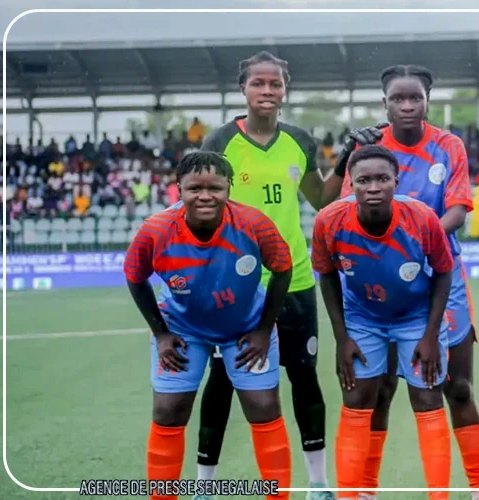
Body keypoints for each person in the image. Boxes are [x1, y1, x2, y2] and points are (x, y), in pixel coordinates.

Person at [326, 65, 479, 499]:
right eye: (397, 99)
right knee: (378, 389)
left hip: (439, 274)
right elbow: (339, 206)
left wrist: (416, 239)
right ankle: (363, 488)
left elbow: (458, 208)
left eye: (414, 98)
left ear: (426, 101)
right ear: (384, 104)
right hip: (374, 278)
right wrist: (345, 154)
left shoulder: (448, 145)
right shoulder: (368, 149)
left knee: (455, 386)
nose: (406, 106)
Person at [196, 50, 336, 499]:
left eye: (275, 84)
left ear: (285, 89)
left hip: (294, 279)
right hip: (238, 287)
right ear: (243, 89)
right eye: (259, 84)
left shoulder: (299, 140)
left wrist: (349, 156)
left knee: (304, 375)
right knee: (221, 380)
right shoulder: (218, 141)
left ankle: (317, 483)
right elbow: (200, 206)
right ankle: (206, 485)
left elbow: (322, 202)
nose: (267, 92)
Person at [125, 152, 293, 500]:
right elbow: (134, 276)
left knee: (263, 407)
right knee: (168, 411)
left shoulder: (254, 223)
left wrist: (264, 329)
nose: (205, 195)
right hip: (183, 329)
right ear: (179, 189)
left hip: (246, 328)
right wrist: (161, 333)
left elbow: (282, 268)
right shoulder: (156, 230)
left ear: (229, 188)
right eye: (194, 187)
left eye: (215, 187)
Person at [313, 145, 455, 500]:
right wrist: (342, 338)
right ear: (352, 184)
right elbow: (327, 275)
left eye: (381, 179)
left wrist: (430, 334)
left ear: (397, 181)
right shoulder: (328, 220)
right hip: (363, 316)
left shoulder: (422, 218)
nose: (373, 187)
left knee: (426, 398)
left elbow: (443, 271)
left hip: (416, 316)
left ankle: (439, 496)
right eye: (363, 180)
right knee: (359, 399)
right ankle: (355, 494)